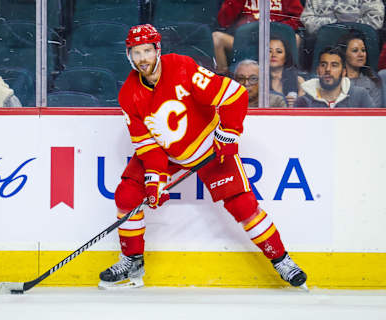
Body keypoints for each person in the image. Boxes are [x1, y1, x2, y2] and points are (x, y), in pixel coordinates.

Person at [98, 24, 307, 290]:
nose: (142, 59)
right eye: (136, 52)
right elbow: (147, 145)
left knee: (242, 206)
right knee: (127, 195)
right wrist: (155, 179)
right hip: (167, 153)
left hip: (209, 146)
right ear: (129, 55)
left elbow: (234, 95)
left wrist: (228, 134)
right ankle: (132, 260)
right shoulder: (129, 93)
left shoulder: (182, 68)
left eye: (147, 51)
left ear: (157, 50)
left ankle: (282, 261)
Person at [212, 0, 304, 75]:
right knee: (217, 38)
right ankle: (226, 79)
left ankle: (290, 80)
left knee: (296, 38)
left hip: (275, 41)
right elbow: (223, 21)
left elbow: (298, 19)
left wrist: (276, 28)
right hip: (246, 42)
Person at [295, 46, 374, 108]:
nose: (328, 69)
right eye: (323, 65)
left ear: (343, 72)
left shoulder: (360, 96)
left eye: (334, 65)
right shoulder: (304, 101)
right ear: (317, 71)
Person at [336, 31, 383, 107]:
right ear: (344, 54)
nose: (361, 54)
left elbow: (374, 115)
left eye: (363, 50)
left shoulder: (373, 83)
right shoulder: (333, 81)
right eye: (355, 50)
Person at [300, 0, 385, 35]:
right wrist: (336, 24)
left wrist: (348, 28)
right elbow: (307, 19)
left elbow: (375, 21)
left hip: (359, 39)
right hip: (323, 41)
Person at [270, 35, 305, 107]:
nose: (273, 55)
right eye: (269, 51)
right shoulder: (258, 80)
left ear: (286, 56)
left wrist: (297, 102)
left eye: (279, 51)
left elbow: (304, 108)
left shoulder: (299, 81)